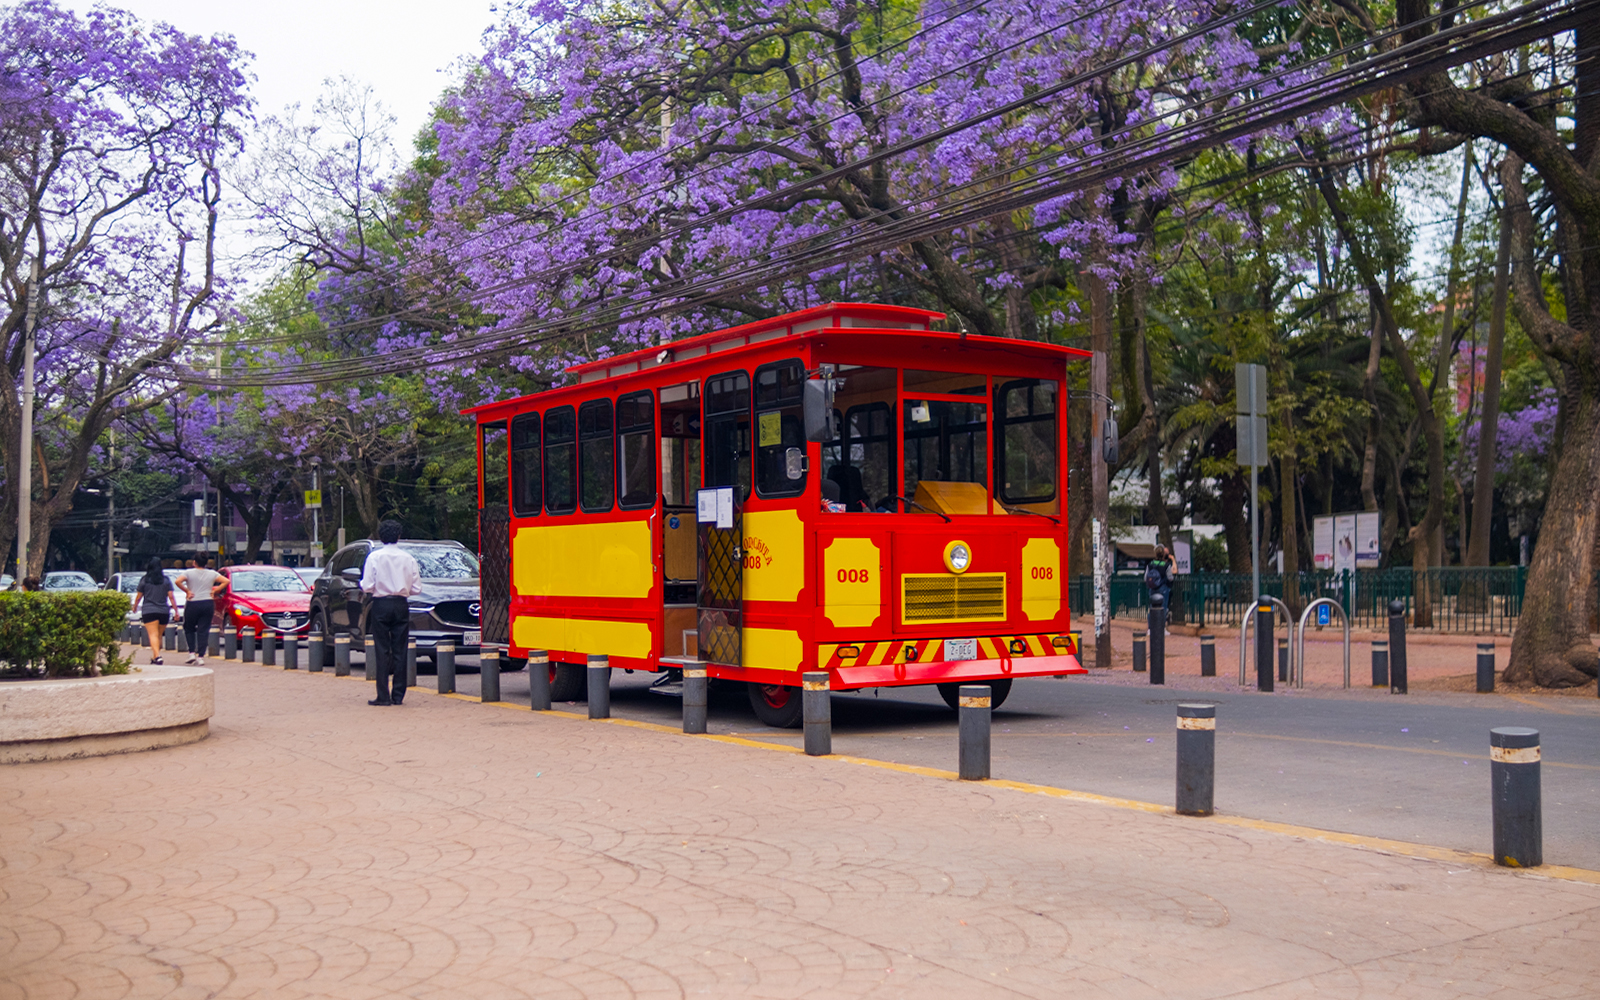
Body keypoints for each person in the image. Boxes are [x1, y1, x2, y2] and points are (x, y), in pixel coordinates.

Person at [360, 519, 421, 706]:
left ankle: (383, 695)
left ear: (380, 536)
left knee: (382, 649)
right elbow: (416, 588)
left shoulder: (374, 557)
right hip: (401, 604)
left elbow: (368, 586)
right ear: (399, 536)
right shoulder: (408, 558)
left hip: (380, 604)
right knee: (400, 649)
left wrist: (363, 585)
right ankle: (398, 695)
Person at [177, 554, 227, 665]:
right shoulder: (212, 573)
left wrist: (187, 591)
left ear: (194, 562)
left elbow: (178, 581)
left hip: (193, 603)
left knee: (189, 628)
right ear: (206, 563)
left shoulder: (188, 573)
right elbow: (226, 581)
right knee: (203, 630)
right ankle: (200, 657)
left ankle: (191, 653)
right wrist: (215, 590)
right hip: (207, 602)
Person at [129, 557, 177, 664]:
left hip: (149, 610)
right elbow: (171, 597)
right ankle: (155, 656)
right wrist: (176, 611)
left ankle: (158, 656)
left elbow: (139, 596)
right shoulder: (166, 580)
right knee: (159, 635)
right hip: (164, 611)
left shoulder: (144, 580)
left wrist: (135, 606)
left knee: (153, 635)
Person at [1144, 544, 1174, 633]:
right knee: (1163, 608)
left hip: (1152, 588)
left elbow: (1145, 578)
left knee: (1152, 608)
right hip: (1163, 588)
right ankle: (1162, 629)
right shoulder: (1166, 565)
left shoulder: (1150, 564)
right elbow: (1170, 578)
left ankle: (1150, 628)